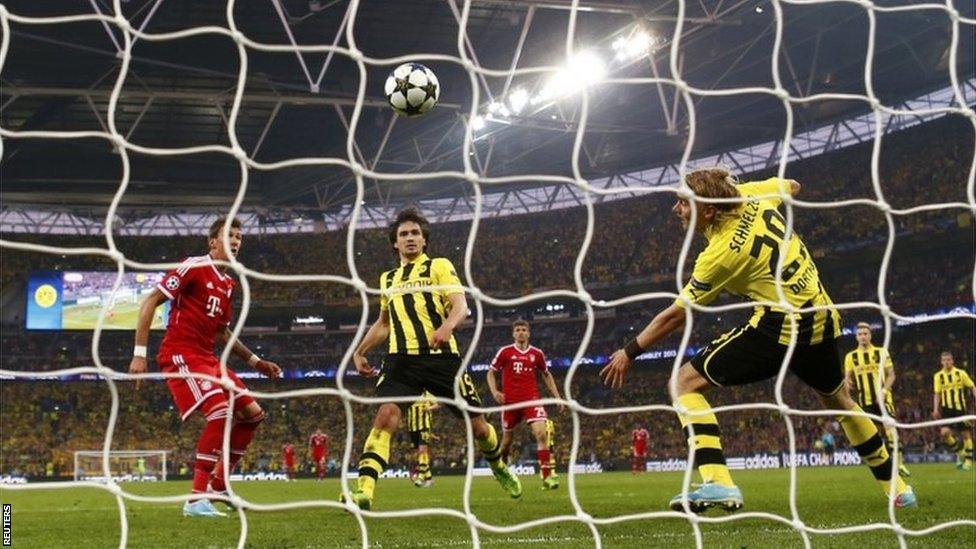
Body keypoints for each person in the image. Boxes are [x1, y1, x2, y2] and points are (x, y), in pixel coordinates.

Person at [599, 168, 915, 513]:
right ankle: (899, 490)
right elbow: (794, 185)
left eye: (683, 203)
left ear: (708, 209)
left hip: (780, 327)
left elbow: (675, 316)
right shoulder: (751, 194)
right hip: (822, 316)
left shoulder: (720, 254)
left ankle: (719, 483)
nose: (677, 209)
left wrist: (629, 352)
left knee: (682, 383)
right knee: (840, 400)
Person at [344, 208, 522, 510]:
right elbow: (384, 323)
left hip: (442, 360)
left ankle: (498, 466)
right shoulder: (388, 279)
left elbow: (460, 306)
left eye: (415, 233)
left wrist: (447, 326)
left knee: (478, 427)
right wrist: (360, 351)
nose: (410, 238)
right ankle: (364, 489)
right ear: (395, 244)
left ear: (424, 240)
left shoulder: (439, 266)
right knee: (385, 416)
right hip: (400, 362)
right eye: (404, 234)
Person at [128, 216, 282, 517]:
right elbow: (149, 301)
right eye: (229, 235)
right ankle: (196, 499)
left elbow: (222, 331)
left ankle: (219, 486)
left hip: (209, 358)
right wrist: (138, 353)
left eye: (239, 236)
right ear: (213, 242)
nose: (236, 241)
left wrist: (255, 361)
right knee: (221, 413)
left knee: (252, 415)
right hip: (181, 354)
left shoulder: (228, 283)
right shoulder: (194, 266)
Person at [487, 320, 565, 490]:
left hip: (531, 399)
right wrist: (495, 392)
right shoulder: (505, 352)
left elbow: (546, 374)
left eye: (524, 330)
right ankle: (501, 469)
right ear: (513, 334)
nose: (521, 332)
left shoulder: (537, 354)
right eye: (517, 330)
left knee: (541, 434)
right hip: (510, 403)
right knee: (507, 442)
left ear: (529, 333)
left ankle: (546, 476)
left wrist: (557, 396)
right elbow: (491, 373)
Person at [844, 322, 910, 476]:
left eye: (865, 333)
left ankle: (900, 464)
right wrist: (847, 383)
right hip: (864, 402)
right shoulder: (850, 357)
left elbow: (891, 375)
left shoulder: (881, 352)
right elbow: (847, 378)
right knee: (873, 435)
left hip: (884, 399)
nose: (863, 336)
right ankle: (885, 464)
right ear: (856, 337)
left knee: (890, 430)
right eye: (859, 334)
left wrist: (885, 389)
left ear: (870, 335)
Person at [932, 351, 975, 471]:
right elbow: (937, 394)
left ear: (952, 361)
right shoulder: (938, 376)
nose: (947, 362)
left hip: (960, 408)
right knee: (944, 433)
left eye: (949, 360)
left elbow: (972, 387)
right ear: (941, 362)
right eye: (944, 360)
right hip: (946, 410)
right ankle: (960, 452)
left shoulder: (960, 373)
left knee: (966, 434)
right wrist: (935, 408)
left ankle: (968, 460)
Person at [407, 391, 438, 487]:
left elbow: (437, 405)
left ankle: (421, 477)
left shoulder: (428, 394)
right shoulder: (409, 393)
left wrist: (429, 408)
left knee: (422, 452)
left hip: (424, 426)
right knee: (421, 454)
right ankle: (429, 479)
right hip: (412, 427)